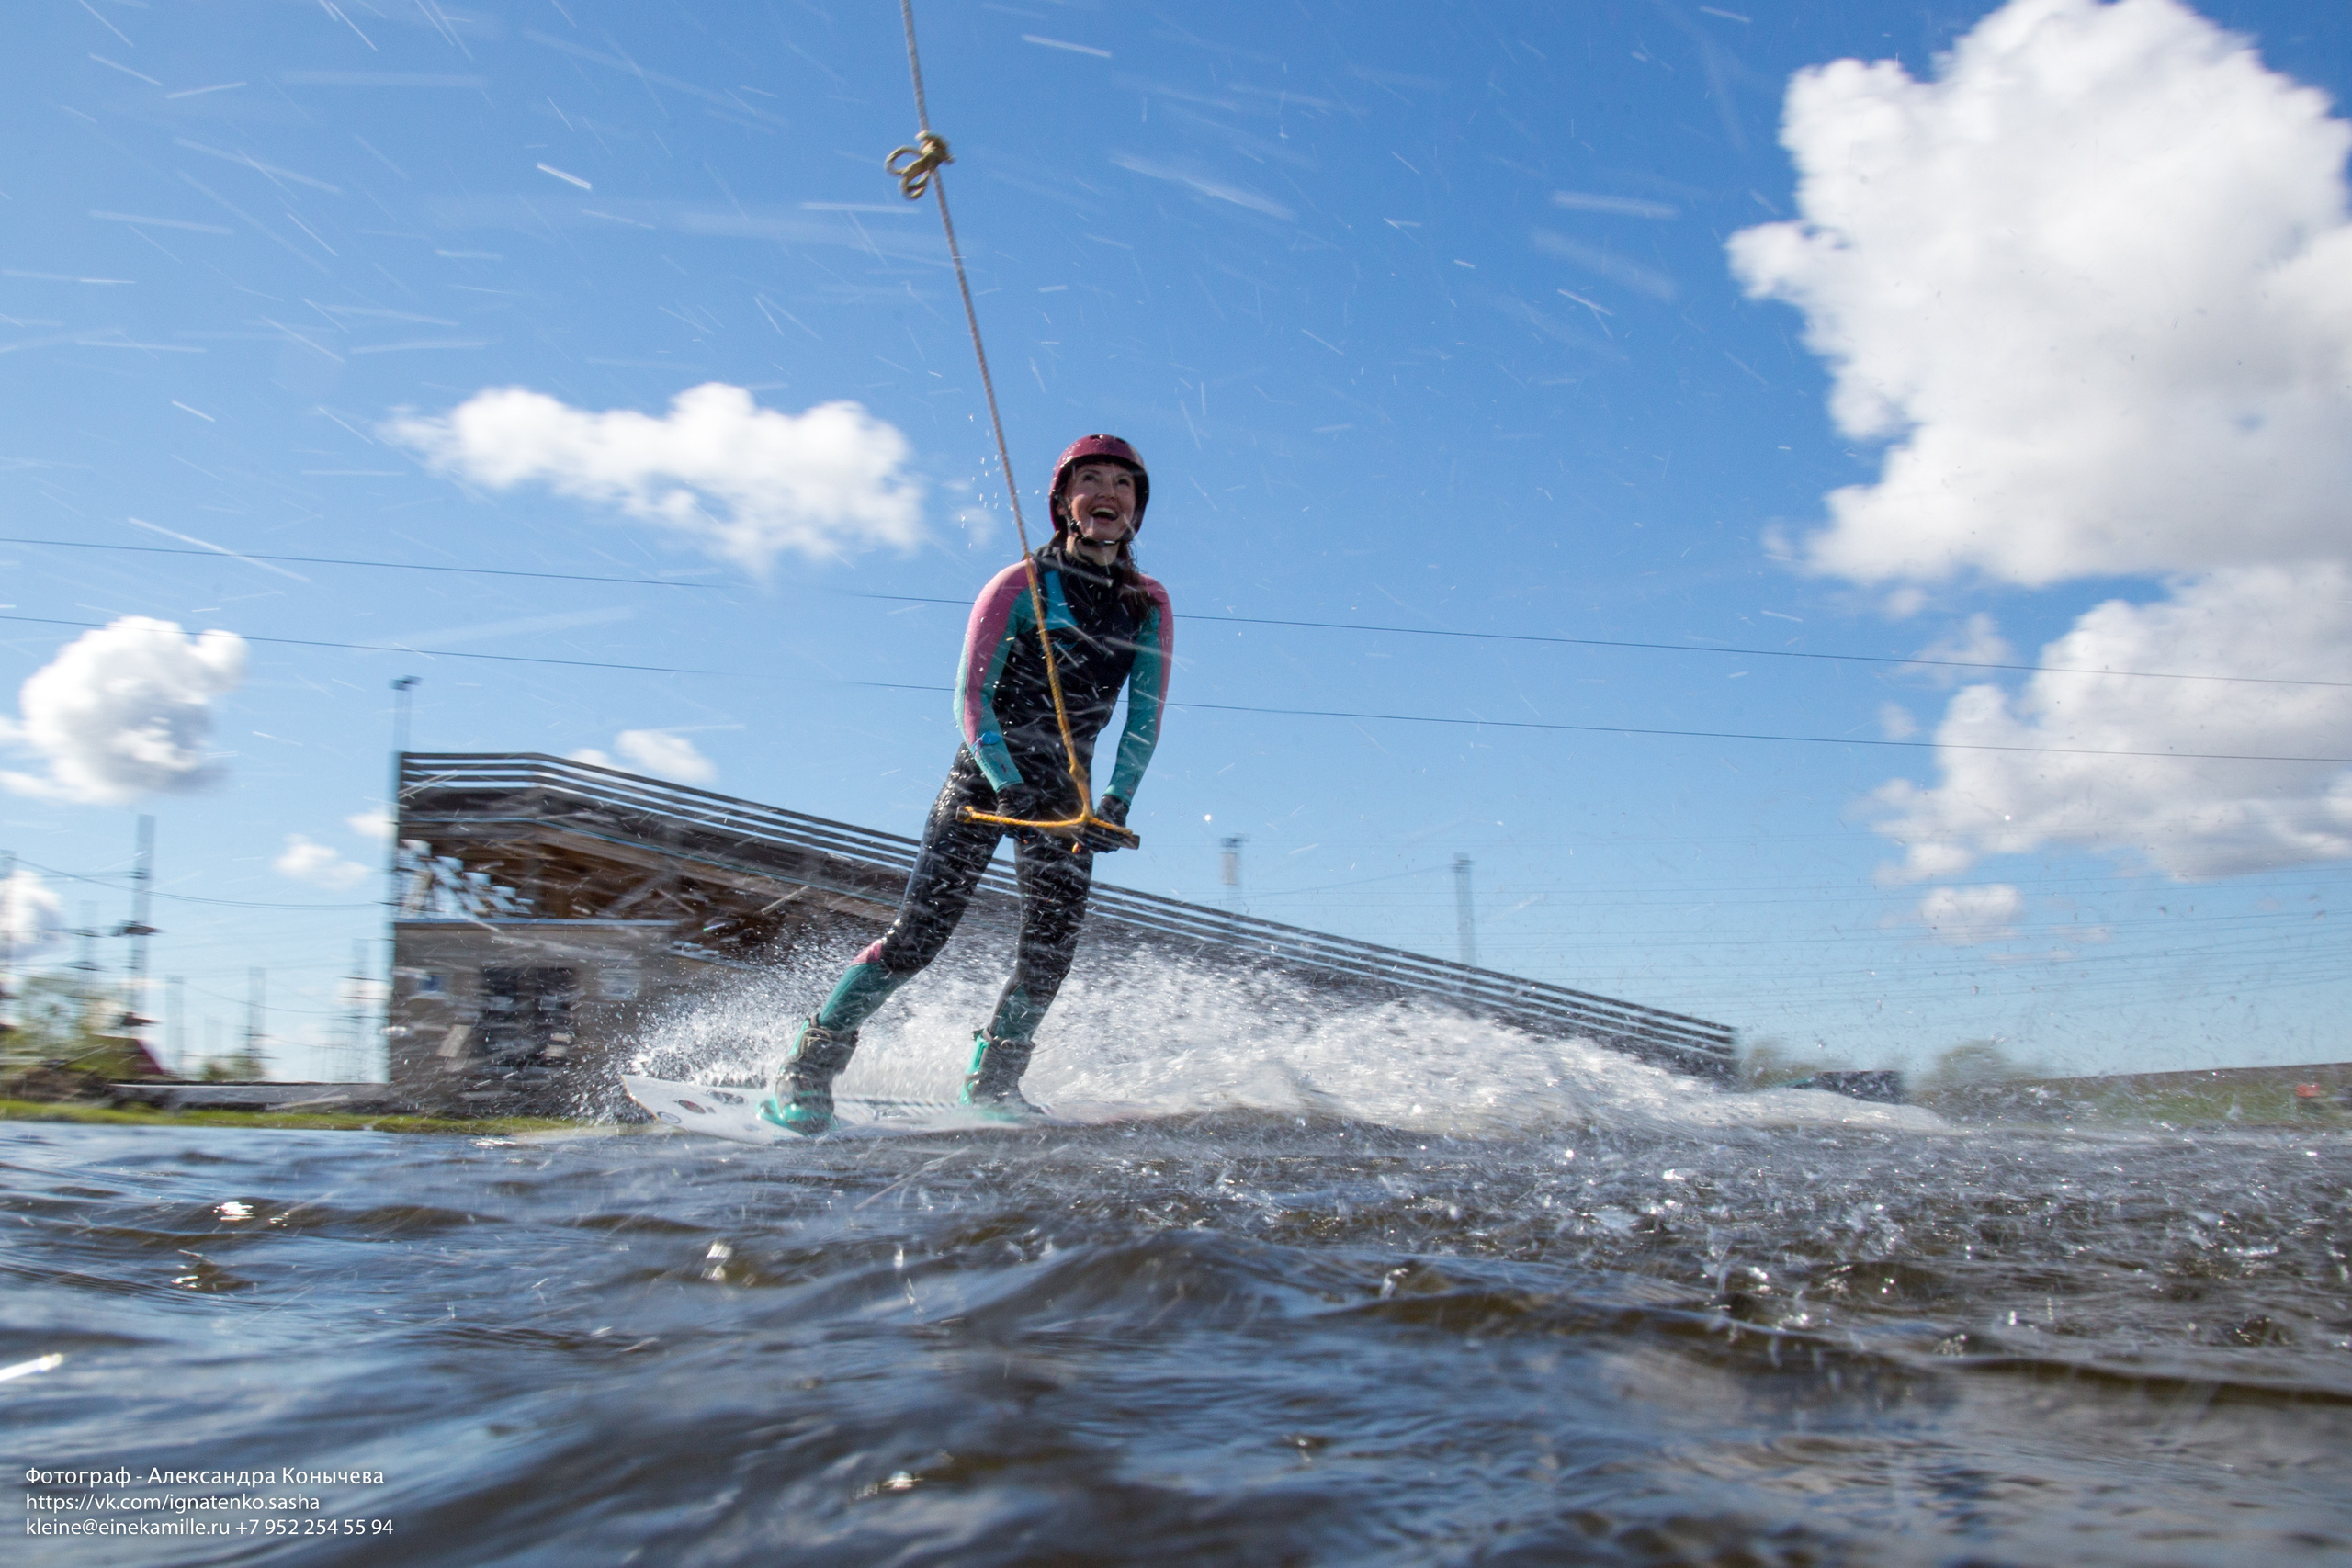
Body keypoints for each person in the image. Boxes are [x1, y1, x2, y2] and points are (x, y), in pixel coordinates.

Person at [762, 435, 1175, 1134]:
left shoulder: (1149, 604)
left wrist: (1118, 799)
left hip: (1065, 801)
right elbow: (968, 698)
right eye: (1090, 481)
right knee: (919, 936)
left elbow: (1145, 716)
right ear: (1061, 503)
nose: (1107, 494)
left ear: (1136, 509)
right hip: (984, 783)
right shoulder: (1019, 584)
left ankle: (992, 1085)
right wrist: (1004, 781)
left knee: (1050, 954)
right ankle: (806, 1068)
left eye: (1123, 486)